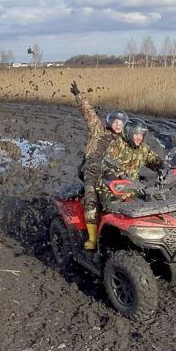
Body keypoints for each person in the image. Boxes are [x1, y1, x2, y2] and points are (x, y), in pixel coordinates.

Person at [70, 81, 129, 249]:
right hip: (92, 170)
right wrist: (79, 96)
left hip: (112, 174)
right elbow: (88, 113)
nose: (118, 124)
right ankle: (92, 239)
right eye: (115, 121)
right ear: (110, 122)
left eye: (121, 122)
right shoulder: (98, 130)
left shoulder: (124, 142)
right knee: (91, 199)